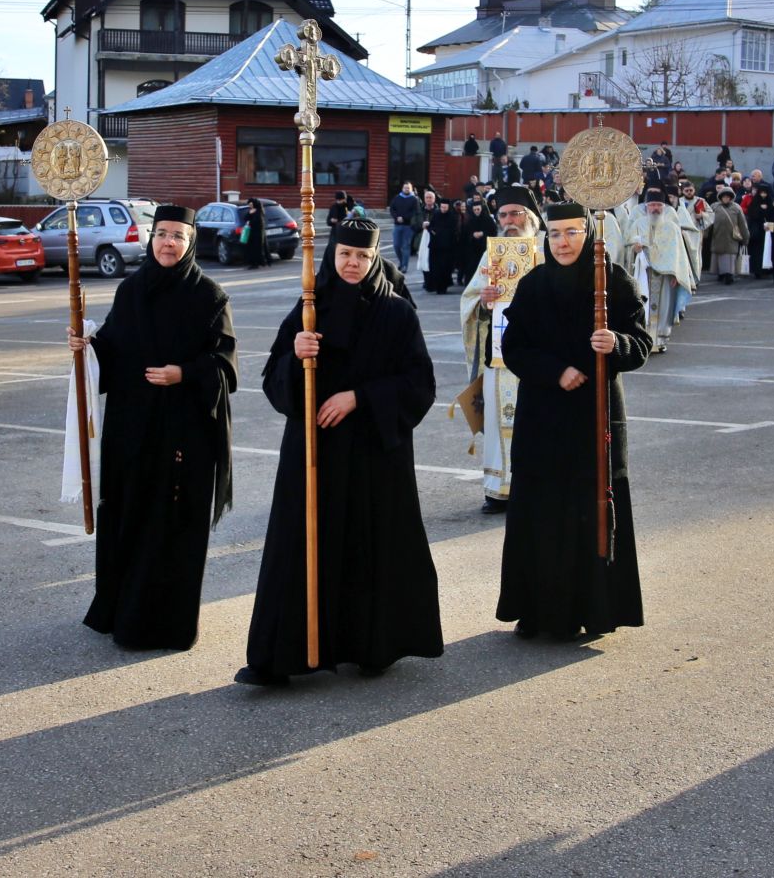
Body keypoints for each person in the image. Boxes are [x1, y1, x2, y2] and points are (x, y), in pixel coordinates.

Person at [237, 217, 442, 685]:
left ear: (375, 260)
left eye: (363, 256)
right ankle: (281, 657)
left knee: (368, 544)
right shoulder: (310, 307)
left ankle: (372, 646)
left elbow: (420, 384)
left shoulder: (397, 314)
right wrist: (296, 351)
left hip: (373, 454)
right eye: (346, 254)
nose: (353, 264)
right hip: (314, 452)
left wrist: (360, 398)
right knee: (300, 542)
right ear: (332, 256)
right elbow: (272, 379)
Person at [67, 206, 238, 650]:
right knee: (129, 517)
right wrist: (85, 348)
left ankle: (166, 625)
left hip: (184, 435)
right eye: (161, 234)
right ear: (151, 238)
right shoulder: (132, 290)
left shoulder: (209, 296)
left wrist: (184, 373)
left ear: (190, 242)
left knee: (172, 526)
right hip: (132, 431)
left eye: (178, 236)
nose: (168, 243)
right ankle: (121, 613)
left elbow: (226, 365)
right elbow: (112, 348)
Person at [497, 202, 652, 639]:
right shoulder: (533, 284)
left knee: (592, 509)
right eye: (554, 234)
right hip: (543, 419)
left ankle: (597, 609)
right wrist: (555, 371)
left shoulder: (612, 281)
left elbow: (641, 342)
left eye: (571, 233)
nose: (562, 242)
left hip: (593, 418)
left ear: (588, 234)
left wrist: (615, 342)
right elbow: (515, 348)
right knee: (543, 513)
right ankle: (542, 612)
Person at [460, 185, 545, 514]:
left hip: (536, 356)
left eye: (516, 214)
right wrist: (483, 301)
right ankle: (498, 490)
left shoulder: (545, 250)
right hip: (499, 355)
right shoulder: (490, 254)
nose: (509, 220)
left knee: (535, 422)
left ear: (531, 218)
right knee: (499, 422)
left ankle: (532, 489)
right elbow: (470, 300)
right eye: (504, 215)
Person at [625, 188, 694, 353]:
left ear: (663, 207)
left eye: (658, 205)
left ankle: (660, 341)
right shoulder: (637, 224)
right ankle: (644, 339)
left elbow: (679, 254)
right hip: (643, 274)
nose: (655, 208)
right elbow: (627, 246)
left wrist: (677, 274)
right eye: (652, 205)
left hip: (665, 276)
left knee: (663, 308)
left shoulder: (672, 227)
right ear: (646, 206)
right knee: (642, 307)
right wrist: (634, 249)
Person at [708, 185, 747, 284]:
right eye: (724, 196)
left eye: (728, 197)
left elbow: (742, 224)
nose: (726, 198)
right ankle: (721, 273)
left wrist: (745, 237)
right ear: (720, 197)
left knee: (729, 257)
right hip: (717, 236)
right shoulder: (714, 207)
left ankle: (729, 275)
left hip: (731, 238)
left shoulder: (736, 208)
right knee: (719, 256)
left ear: (731, 197)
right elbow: (708, 221)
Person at [422, 195, 460, 294]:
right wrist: (432, 230)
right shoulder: (436, 214)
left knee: (445, 268)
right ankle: (434, 286)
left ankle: (443, 287)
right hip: (435, 247)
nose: (443, 209)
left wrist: (440, 232)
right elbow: (431, 226)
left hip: (447, 248)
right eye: (442, 207)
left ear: (448, 207)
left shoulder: (452, 217)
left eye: (445, 207)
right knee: (434, 267)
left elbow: (453, 231)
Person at [388, 181, 421, 273]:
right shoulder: (397, 198)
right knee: (396, 245)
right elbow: (392, 209)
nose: (406, 189)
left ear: (411, 189)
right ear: (402, 188)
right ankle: (402, 262)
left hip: (408, 226)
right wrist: (396, 217)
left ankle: (404, 266)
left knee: (406, 246)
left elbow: (415, 212)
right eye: (405, 188)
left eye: (408, 188)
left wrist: (405, 218)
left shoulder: (414, 199)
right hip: (397, 225)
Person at [745, 182, 773, 279]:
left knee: (767, 250)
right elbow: (752, 215)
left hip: (767, 232)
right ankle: (757, 270)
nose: (763, 195)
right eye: (762, 193)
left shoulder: (770, 202)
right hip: (757, 233)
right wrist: (760, 209)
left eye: (765, 193)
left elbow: (772, 216)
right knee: (757, 252)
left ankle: (767, 269)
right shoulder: (755, 203)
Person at [243, 197, 271, 270]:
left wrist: (250, 222)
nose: (250, 205)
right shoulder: (250, 211)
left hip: (258, 233)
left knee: (257, 248)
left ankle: (256, 263)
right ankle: (254, 263)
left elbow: (258, 222)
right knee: (251, 248)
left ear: (254, 204)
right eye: (249, 204)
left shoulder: (259, 212)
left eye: (251, 204)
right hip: (251, 233)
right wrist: (249, 213)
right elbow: (245, 218)